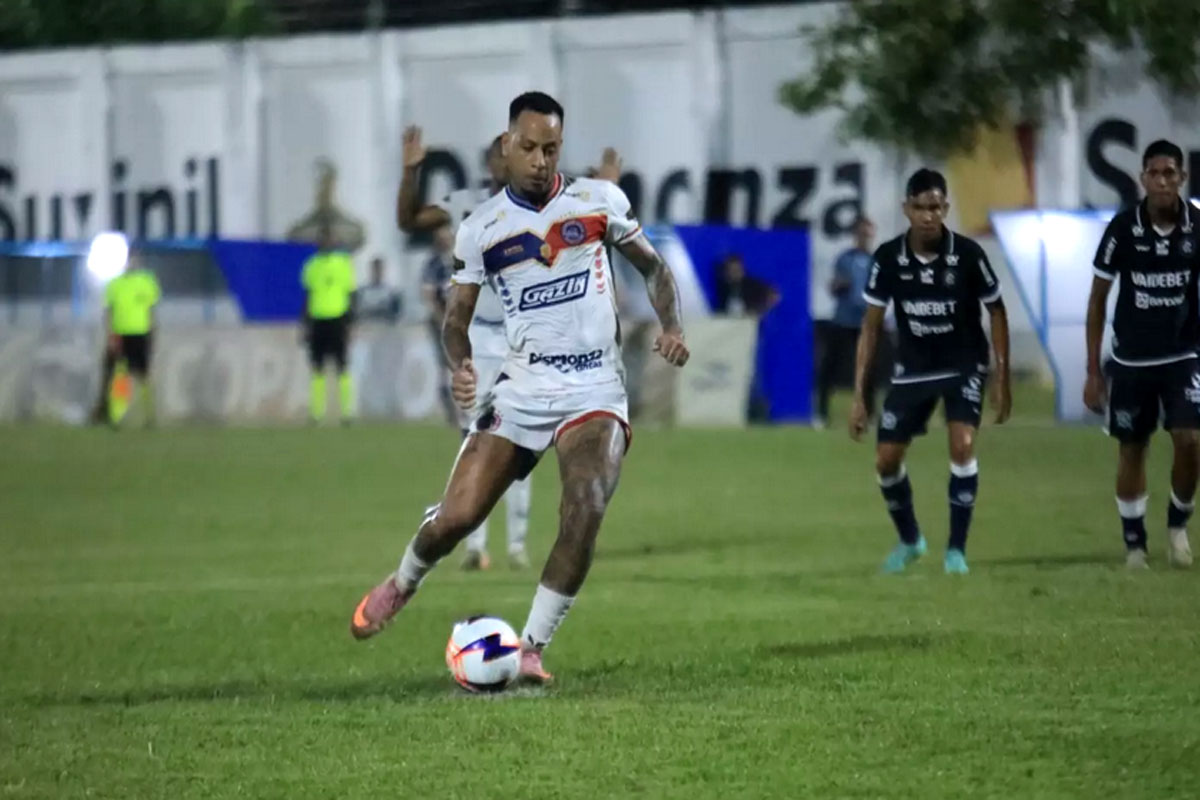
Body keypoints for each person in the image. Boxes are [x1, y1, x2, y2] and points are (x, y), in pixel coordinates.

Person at [351, 91, 689, 684]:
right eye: (528, 147)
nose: (540, 159)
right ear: (507, 145)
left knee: (585, 505)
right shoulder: (480, 227)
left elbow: (654, 268)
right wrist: (461, 365)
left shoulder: (598, 201)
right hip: (522, 386)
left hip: (594, 388)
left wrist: (671, 324)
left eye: (551, 148)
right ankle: (402, 582)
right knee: (456, 519)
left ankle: (530, 647)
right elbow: (457, 319)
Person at [399, 126, 622, 571]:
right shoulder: (467, 203)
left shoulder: (555, 201)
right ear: (494, 163)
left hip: (532, 336)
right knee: (477, 439)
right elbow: (409, 221)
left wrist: (610, 188)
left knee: (522, 439)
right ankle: (475, 545)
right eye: (508, 156)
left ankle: (517, 544)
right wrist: (411, 171)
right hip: (480, 336)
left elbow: (602, 224)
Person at [850, 168, 1012, 575]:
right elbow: (870, 327)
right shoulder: (888, 258)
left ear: (946, 209)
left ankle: (956, 550)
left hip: (963, 364)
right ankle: (911, 541)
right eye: (920, 207)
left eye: (935, 207)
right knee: (886, 460)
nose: (928, 215)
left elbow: (996, 310)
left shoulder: (969, 255)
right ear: (907, 209)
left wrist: (1002, 376)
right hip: (914, 368)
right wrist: (859, 397)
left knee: (961, 445)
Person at [1084, 139, 1200, 569]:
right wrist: (1092, 371)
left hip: (1183, 355)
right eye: (1156, 173)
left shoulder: (1197, 226)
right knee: (1132, 447)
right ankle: (1134, 544)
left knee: (1190, 441)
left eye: (1172, 174)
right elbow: (1098, 300)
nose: (1164, 181)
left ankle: (1177, 526)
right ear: (1143, 179)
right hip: (1131, 360)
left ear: (1182, 179)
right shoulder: (1121, 229)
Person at [817, 217, 877, 428]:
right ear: (855, 235)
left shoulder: (876, 260)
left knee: (868, 370)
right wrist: (839, 285)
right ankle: (821, 413)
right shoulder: (845, 259)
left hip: (866, 323)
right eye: (861, 233)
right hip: (843, 321)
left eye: (867, 234)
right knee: (829, 368)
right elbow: (834, 287)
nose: (864, 237)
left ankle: (869, 414)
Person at [96, 250, 161, 427]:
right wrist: (111, 334)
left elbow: (152, 311)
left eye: (135, 260)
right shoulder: (114, 285)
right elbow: (108, 312)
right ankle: (117, 416)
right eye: (129, 260)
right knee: (121, 375)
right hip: (121, 334)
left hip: (141, 333)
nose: (132, 263)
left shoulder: (147, 282)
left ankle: (149, 415)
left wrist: (153, 333)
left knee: (143, 374)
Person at [301, 227, 357, 425]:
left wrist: (350, 324)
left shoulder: (343, 264)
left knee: (342, 367)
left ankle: (347, 413)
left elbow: (351, 295)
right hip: (318, 320)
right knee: (317, 368)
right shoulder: (311, 265)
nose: (326, 244)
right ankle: (317, 413)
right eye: (323, 240)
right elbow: (307, 296)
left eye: (329, 240)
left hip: (338, 320)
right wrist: (305, 325)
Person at [421, 223, 461, 428]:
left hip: (464, 321)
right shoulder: (433, 264)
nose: (444, 238)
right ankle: (451, 411)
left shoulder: (463, 260)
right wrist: (441, 319)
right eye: (440, 235)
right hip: (443, 322)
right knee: (447, 367)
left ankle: (467, 410)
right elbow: (428, 295)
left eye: (446, 233)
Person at [355, 256, 402, 324]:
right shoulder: (362, 291)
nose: (377, 272)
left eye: (379, 269)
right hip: (366, 327)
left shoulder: (392, 292)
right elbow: (358, 313)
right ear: (371, 270)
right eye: (375, 269)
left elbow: (396, 316)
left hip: (385, 328)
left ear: (383, 270)